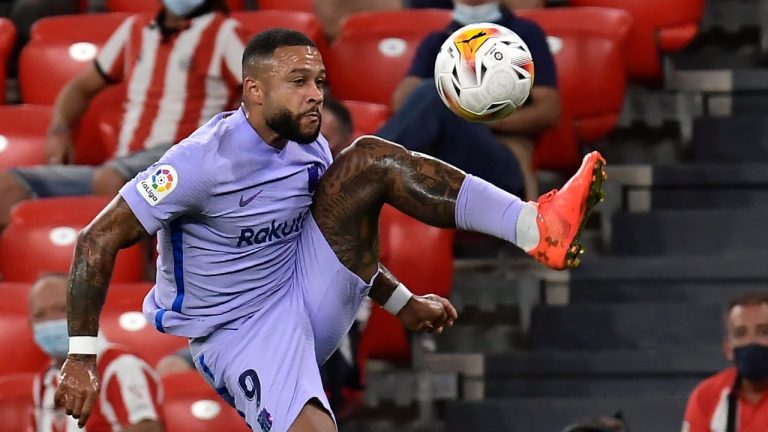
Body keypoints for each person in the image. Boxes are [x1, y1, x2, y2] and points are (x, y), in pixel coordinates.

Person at [54, 28, 605, 431]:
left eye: (318, 80)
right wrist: (80, 357)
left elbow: (340, 237)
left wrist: (402, 302)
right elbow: (96, 239)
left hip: (304, 289)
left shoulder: (309, 144)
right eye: (298, 82)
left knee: (369, 160)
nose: (316, 93)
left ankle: (535, 225)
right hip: (239, 331)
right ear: (253, 91)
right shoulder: (198, 164)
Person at [0, 0, 246, 230]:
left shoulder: (224, 31)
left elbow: (259, 92)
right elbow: (80, 88)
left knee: (112, 180)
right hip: (122, 164)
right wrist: (59, 130)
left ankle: (140, 271)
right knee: (8, 185)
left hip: (185, 161)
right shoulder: (135, 28)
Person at [380, 0, 560, 199]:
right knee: (432, 93)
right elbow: (401, 103)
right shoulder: (439, 40)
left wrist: (477, 113)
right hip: (441, 159)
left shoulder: (523, 34)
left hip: (502, 160)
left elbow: (548, 111)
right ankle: (369, 165)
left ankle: (365, 164)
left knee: (435, 94)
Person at [28, 274, 163, 432]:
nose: (51, 321)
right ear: (30, 324)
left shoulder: (120, 366)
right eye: (40, 315)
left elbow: (147, 428)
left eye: (61, 309)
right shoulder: (43, 380)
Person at [683, 293, 768, 432]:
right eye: (741, 333)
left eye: (764, 332)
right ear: (728, 348)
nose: (752, 341)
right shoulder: (706, 396)